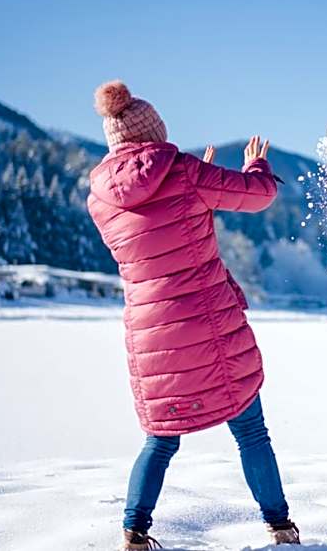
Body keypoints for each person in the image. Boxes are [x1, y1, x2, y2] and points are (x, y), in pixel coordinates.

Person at [86, 80, 300, 549]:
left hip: (150, 337)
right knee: (250, 430)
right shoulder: (181, 171)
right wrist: (254, 164)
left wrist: (194, 184)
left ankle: (134, 532)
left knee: (160, 439)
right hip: (210, 326)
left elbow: (158, 230)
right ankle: (281, 528)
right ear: (155, 132)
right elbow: (259, 194)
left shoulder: (99, 199)